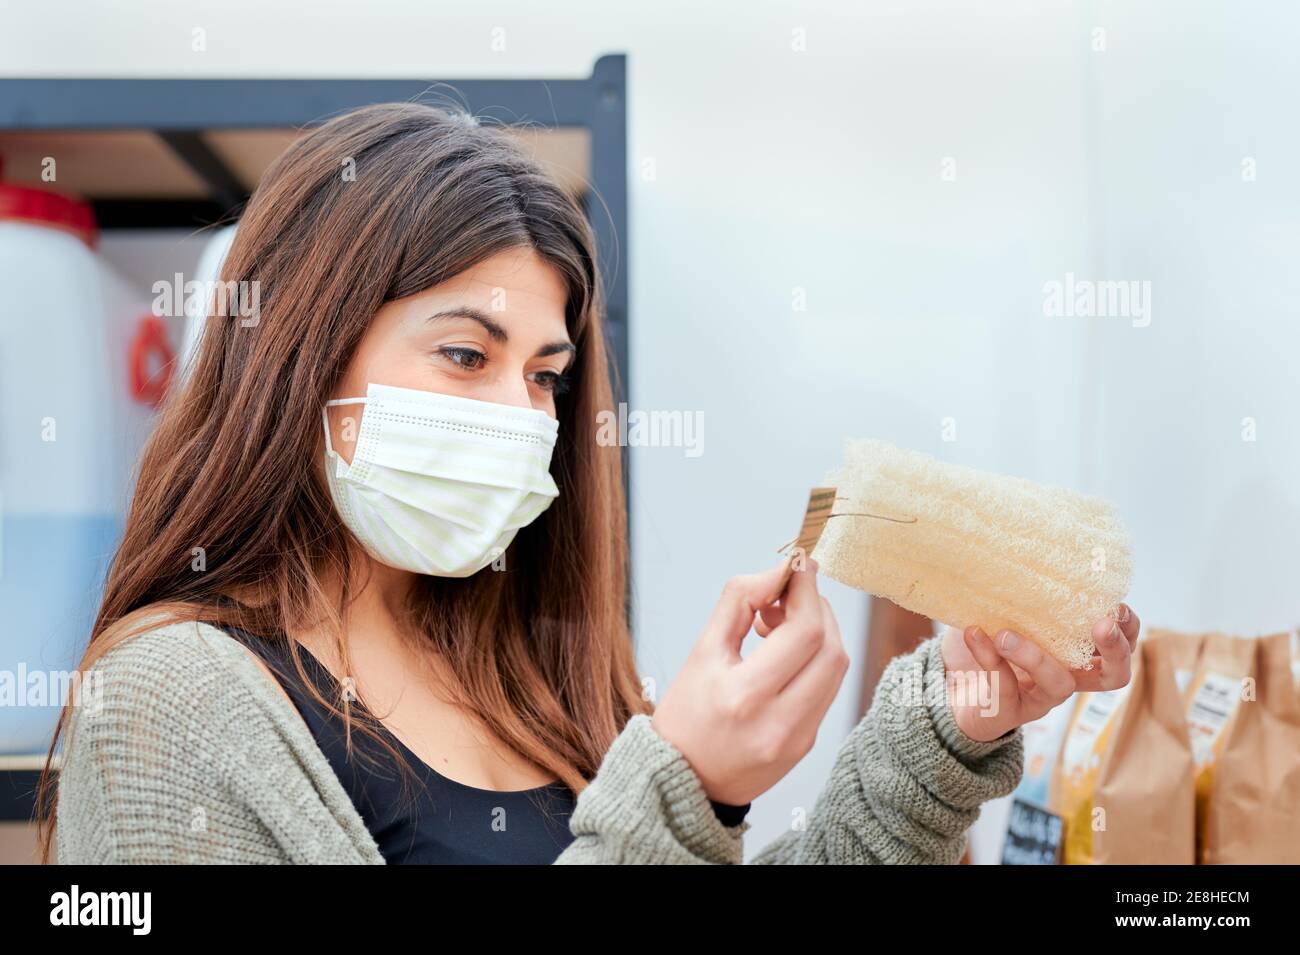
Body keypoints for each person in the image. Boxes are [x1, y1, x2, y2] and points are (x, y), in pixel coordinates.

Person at [41, 102, 1140, 864]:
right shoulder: (168, 701)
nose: (521, 418)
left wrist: (938, 738)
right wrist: (684, 785)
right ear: (297, 354)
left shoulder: (529, 668)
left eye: (545, 375)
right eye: (465, 355)